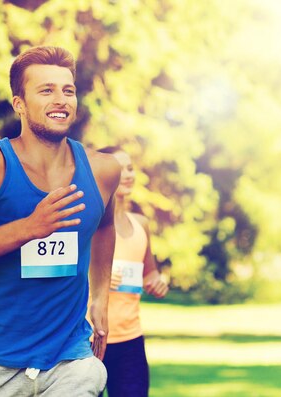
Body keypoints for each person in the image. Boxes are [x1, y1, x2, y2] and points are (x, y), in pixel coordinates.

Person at [0, 46, 121, 396]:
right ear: (19, 103)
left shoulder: (103, 171)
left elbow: (106, 226)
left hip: (69, 360)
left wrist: (100, 297)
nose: (61, 99)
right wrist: (28, 228)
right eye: (46, 90)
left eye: (68, 90)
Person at [95, 146, 169, 397]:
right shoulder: (87, 222)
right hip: (88, 338)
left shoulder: (142, 224)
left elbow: (150, 273)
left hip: (130, 341)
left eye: (130, 168)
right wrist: (97, 275)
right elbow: (66, 272)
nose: (127, 174)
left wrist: (157, 281)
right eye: (119, 168)